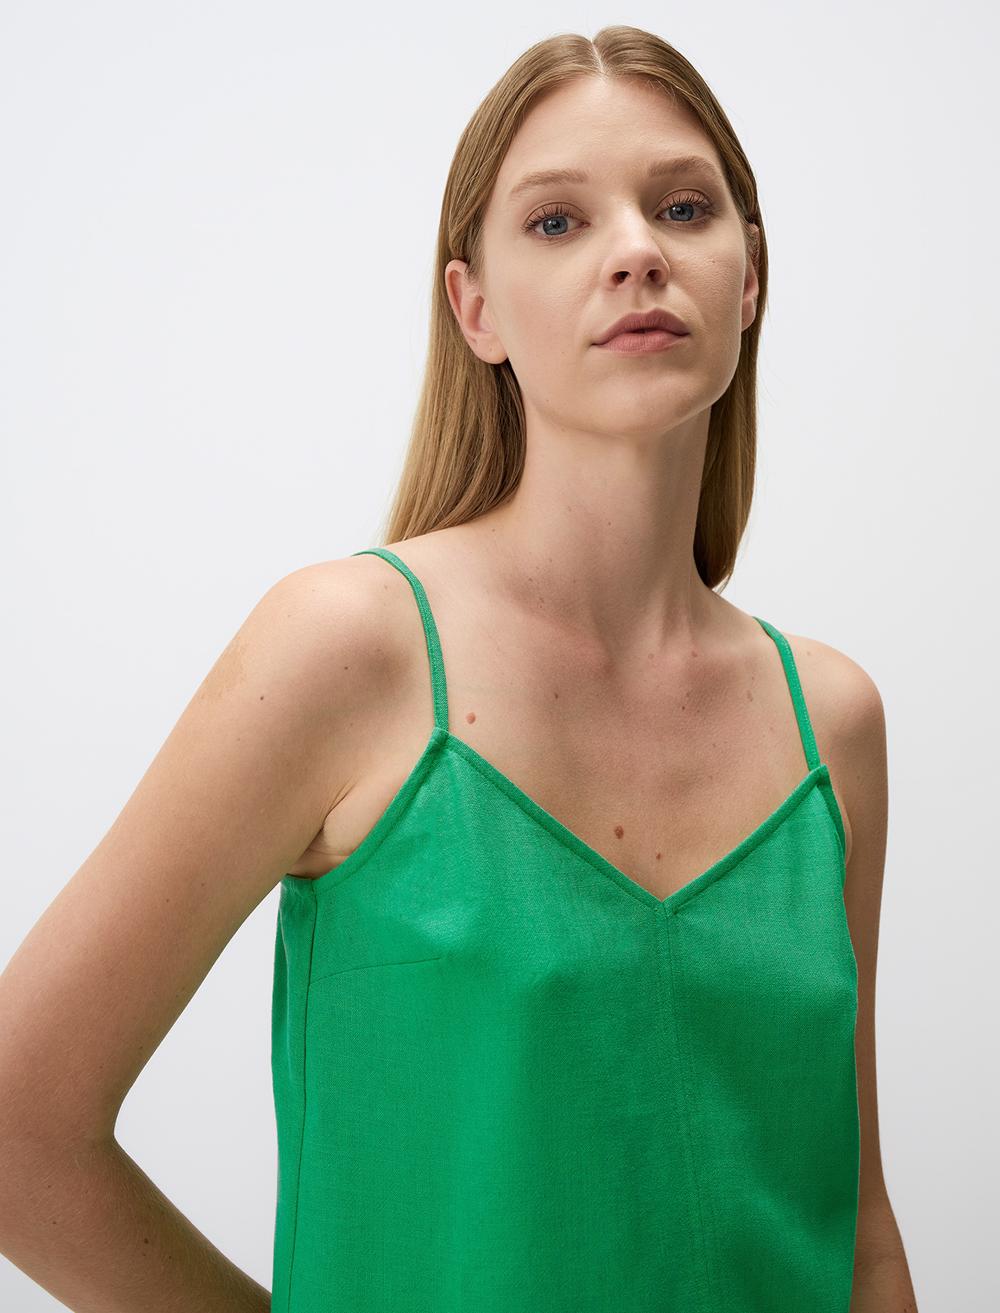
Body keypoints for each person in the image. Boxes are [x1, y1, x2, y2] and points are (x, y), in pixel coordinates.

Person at [0, 24, 917, 1313]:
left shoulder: (833, 724)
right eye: (557, 221)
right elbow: (18, 1130)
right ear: (473, 307)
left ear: (749, 277)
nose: (637, 250)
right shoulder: (344, 651)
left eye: (683, 207)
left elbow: (856, 1225)